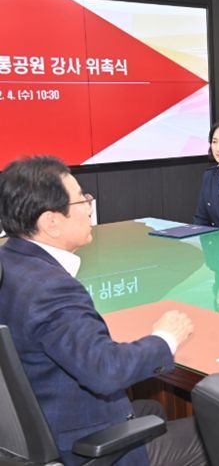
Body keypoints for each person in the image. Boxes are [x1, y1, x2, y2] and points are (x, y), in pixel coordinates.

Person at [0, 156, 207, 466]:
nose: (89, 206)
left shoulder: (10, 262)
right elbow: (106, 371)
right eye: (81, 199)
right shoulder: (51, 290)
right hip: (76, 446)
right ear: (51, 222)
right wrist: (165, 338)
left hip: (34, 426)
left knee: (152, 410)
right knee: (213, 435)